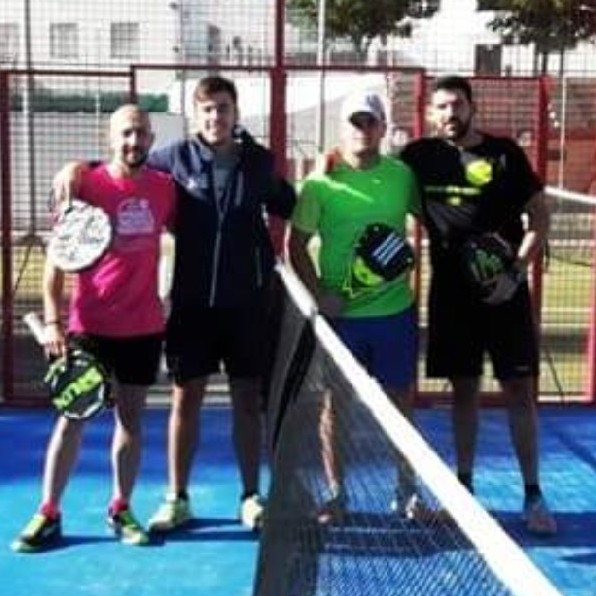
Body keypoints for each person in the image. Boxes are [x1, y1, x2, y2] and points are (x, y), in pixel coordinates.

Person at [11, 105, 177, 552]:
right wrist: (52, 321)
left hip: (143, 327)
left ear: (151, 138)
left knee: (131, 421)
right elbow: (55, 265)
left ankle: (121, 507)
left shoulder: (164, 189)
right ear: (110, 138)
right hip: (90, 327)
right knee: (72, 421)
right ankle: (49, 512)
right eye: (126, 133)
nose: (133, 141)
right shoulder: (83, 186)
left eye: (141, 133)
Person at [400, 75, 557, 535]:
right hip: (452, 297)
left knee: (519, 391)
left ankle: (533, 494)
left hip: (504, 294)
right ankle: (464, 492)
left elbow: (540, 214)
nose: (450, 113)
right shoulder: (418, 157)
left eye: (457, 105)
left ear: (472, 107)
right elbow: (376, 178)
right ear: (431, 114)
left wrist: (515, 273)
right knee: (463, 391)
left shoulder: (504, 154)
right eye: (442, 107)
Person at [144, 76, 295, 532]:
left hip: (247, 305)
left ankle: (251, 497)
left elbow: (289, 203)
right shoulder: (173, 159)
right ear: (196, 114)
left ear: (235, 113)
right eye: (207, 109)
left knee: (247, 401)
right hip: (192, 306)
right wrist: (78, 171)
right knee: (184, 399)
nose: (216, 117)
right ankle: (177, 497)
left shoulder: (259, 162)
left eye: (223, 108)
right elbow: (122, 172)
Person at [288, 90, 424, 522]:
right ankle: (338, 493)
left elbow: (438, 218)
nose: (362, 129)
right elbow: (295, 245)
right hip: (341, 321)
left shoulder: (403, 177)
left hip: (394, 315)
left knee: (400, 403)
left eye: (370, 121)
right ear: (343, 129)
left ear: (383, 128)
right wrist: (319, 294)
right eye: (355, 122)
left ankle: (408, 491)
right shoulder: (319, 183)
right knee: (336, 406)